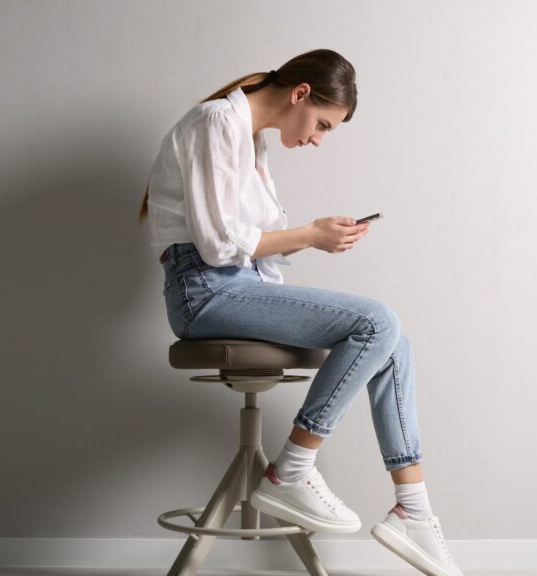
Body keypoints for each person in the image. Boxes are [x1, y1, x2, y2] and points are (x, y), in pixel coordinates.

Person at [140, 49, 462, 576]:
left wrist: (319, 235)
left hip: (234, 286)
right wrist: (310, 235)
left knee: (392, 339)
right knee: (376, 321)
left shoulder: (251, 141)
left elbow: (256, 241)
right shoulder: (215, 121)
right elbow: (221, 246)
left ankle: (414, 511)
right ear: (300, 94)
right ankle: (291, 470)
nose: (316, 138)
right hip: (204, 292)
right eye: (323, 125)